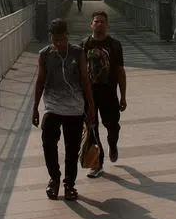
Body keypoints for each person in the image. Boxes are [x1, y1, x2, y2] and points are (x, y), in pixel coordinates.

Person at [32, 18, 96, 201]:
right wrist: (35, 107)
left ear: (67, 36)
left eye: (61, 39)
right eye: (55, 40)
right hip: (52, 106)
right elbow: (40, 81)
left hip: (75, 108)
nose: (58, 43)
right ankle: (54, 177)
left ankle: (69, 184)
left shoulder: (78, 52)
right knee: (48, 143)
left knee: (72, 148)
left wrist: (90, 107)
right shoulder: (45, 54)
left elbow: (85, 80)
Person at [84, 10, 126, 178]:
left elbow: (120, 71)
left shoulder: (115, 45)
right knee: (92, 129)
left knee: (112, 126)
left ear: (107, 25)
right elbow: (80, 73)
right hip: (90, 95)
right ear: (91, 24)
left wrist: (123, 95)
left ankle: (112, 143)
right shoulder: (84, 45)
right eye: (96, 21)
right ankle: (97, 163)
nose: (99, 24)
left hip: (109, 94)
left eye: (102, 22)